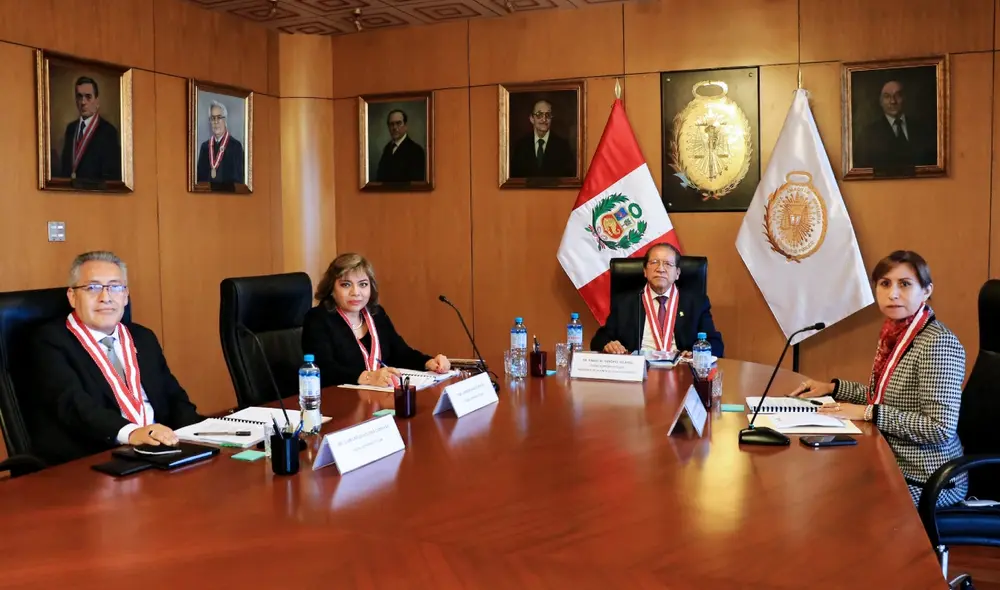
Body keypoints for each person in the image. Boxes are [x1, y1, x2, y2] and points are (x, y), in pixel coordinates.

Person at [790, 250, 966, 507]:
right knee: (818, 483)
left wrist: (868, 413)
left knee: (837, 504)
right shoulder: (894, 333)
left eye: (904, 284)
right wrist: (832, 388)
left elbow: (939, 427)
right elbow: (884, 398)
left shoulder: (937, 343)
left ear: (926, 291)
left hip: (927, 477)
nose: (892, 293)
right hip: (890, 459)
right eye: (885, 284)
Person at [25, 251, 203, 466]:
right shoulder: (50, 341)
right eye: (93, 287)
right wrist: (132, 433)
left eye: (115, 287)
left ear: (125, 295)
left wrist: (200, 435)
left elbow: (174, 396)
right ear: (72, 296)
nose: (106, 297)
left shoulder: (142, 337)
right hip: (95, 459)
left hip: (157, 450)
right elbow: (74, 405)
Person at [302, 253, 450, 388]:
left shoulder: (376, 314)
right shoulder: (318, 319)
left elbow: (401, 353)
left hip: (377, 398)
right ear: (332, 290)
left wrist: (429, 362)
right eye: (346, 285)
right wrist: (368, 377)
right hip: (339, 402)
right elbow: (324, 370)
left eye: (363, 284)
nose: (356, 292)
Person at [590, 243, 724, 357]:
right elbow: (599, 339)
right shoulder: (626, 302)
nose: (660, 269)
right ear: (645, 271)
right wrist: (609, 345)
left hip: (681, 371)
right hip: (639, 372)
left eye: (668, 264)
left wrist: (698, 353)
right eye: (654, 262)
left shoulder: (696, 303)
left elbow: (716, 344)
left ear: (677, 273)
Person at [853, 80, 936, 173]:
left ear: (904, 98)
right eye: (887, 96)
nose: (893, 101)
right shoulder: (868, 134)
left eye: (897, 95)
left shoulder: (922, 130)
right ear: (880, 101)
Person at [59, 76, 121, 181]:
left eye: (88, 97)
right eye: (79, 96)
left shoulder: (108, 132)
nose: (83, 102)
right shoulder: (71, 129)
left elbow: (111, 177)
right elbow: (65, 169)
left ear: (97, 101)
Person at [509, 99, 576, 178]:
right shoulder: (520, 146)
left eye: (547, 115)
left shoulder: (563, 146)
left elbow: (568, 177)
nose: (544, 119)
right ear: (531, 119)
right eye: (539, 114)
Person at [196, 100, 245, 183]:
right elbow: (199, 180)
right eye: (212, 118)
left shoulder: (236, 146)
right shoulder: (204, 147)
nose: (215, 122)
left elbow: (239, 182)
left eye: (219, 117)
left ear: (225, 120)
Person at [375, 109, 426, 182]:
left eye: (398, 123)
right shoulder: (387, 148)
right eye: (391, 124)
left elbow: (415, 184)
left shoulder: (416, 150)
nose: (394, 127)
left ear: (405, 125)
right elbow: (379, 178)